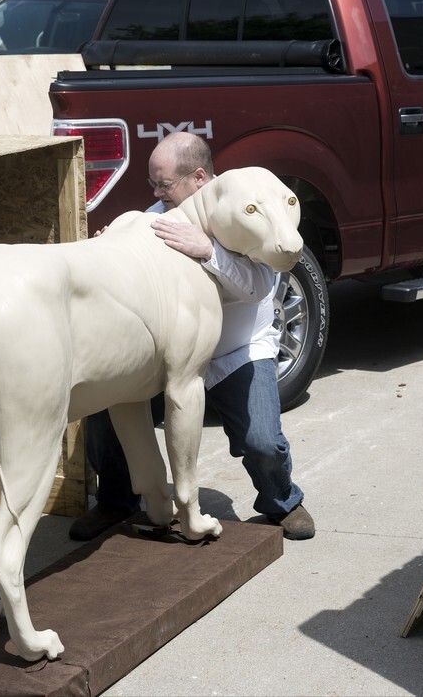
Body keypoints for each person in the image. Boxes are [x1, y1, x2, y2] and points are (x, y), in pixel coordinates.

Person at [70, 132, 314, 542]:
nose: (156, 192)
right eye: (154, 184)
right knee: (103, 420)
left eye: (163, 184)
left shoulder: (244, 207)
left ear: (199, 178)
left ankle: (282, 501)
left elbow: (261, 287)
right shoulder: (159, 214)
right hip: (167, 355)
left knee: (261, 442)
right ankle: (116, 502)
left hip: (235, 351)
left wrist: (209, 251)